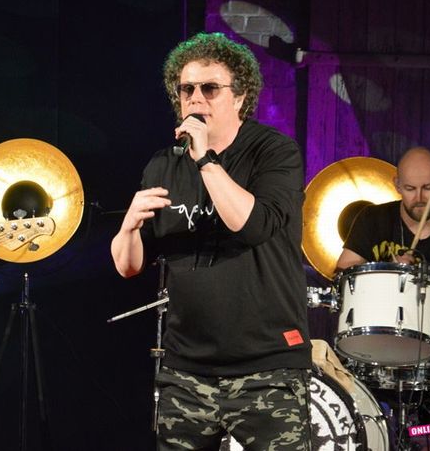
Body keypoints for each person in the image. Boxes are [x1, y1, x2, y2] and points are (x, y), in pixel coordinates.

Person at [111, 32, 312, 450]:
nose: (196, 99)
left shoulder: (274, 153)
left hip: (267, 368)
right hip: (186, 370)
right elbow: (128, 266)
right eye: (186, 90)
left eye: (209, 88)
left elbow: (251, 225)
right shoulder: (163, 165)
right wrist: (128, 229)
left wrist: (205, 158)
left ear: (240, 97)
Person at [335, 146, 430, 450]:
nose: (419, 197)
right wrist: (388, 269)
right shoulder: (373, 219)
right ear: (397, 184)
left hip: (425, 350)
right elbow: (344, 269)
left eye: (427, 188)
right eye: (410, 188)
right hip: (368, 339)